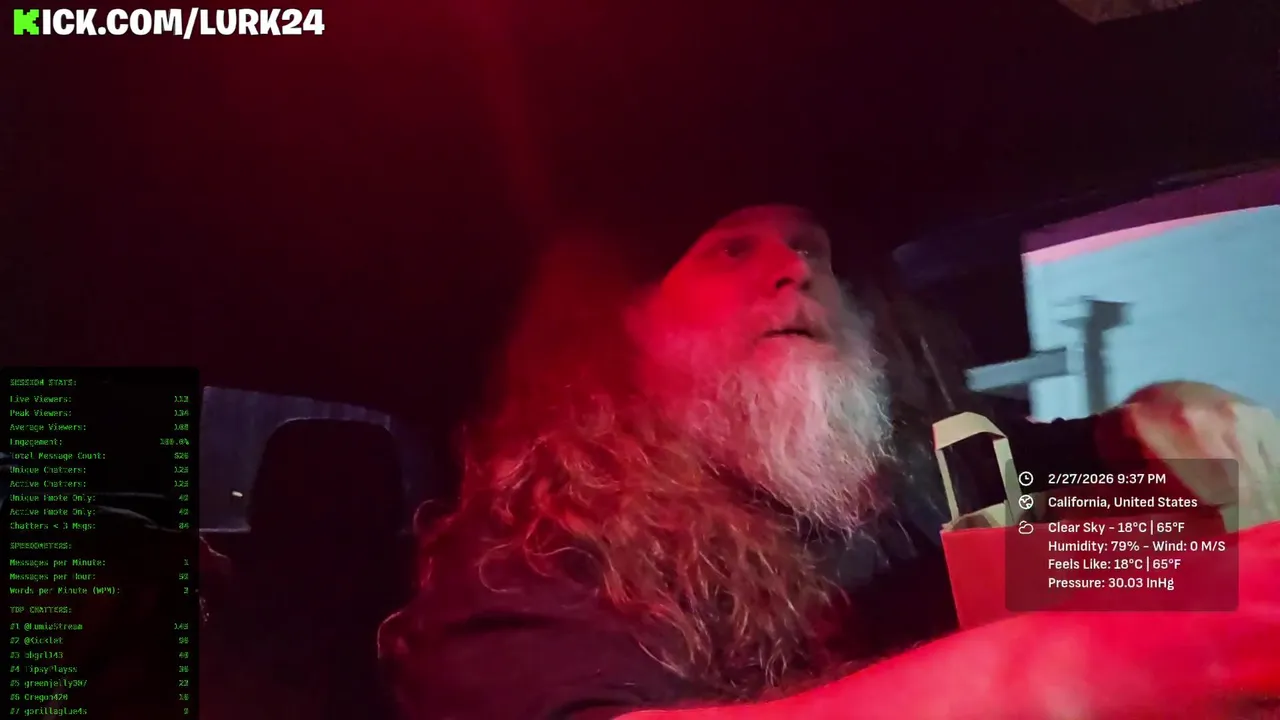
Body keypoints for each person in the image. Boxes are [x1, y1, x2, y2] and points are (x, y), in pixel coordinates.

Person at [379, 205, 1280, 719]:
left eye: (812, 250)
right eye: (733, 249)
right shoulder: (532, 557)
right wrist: (1062, 668)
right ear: (631, 326)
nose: (794, 268)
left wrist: (1158, 433)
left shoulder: (920, 466)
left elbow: (1089, 500)